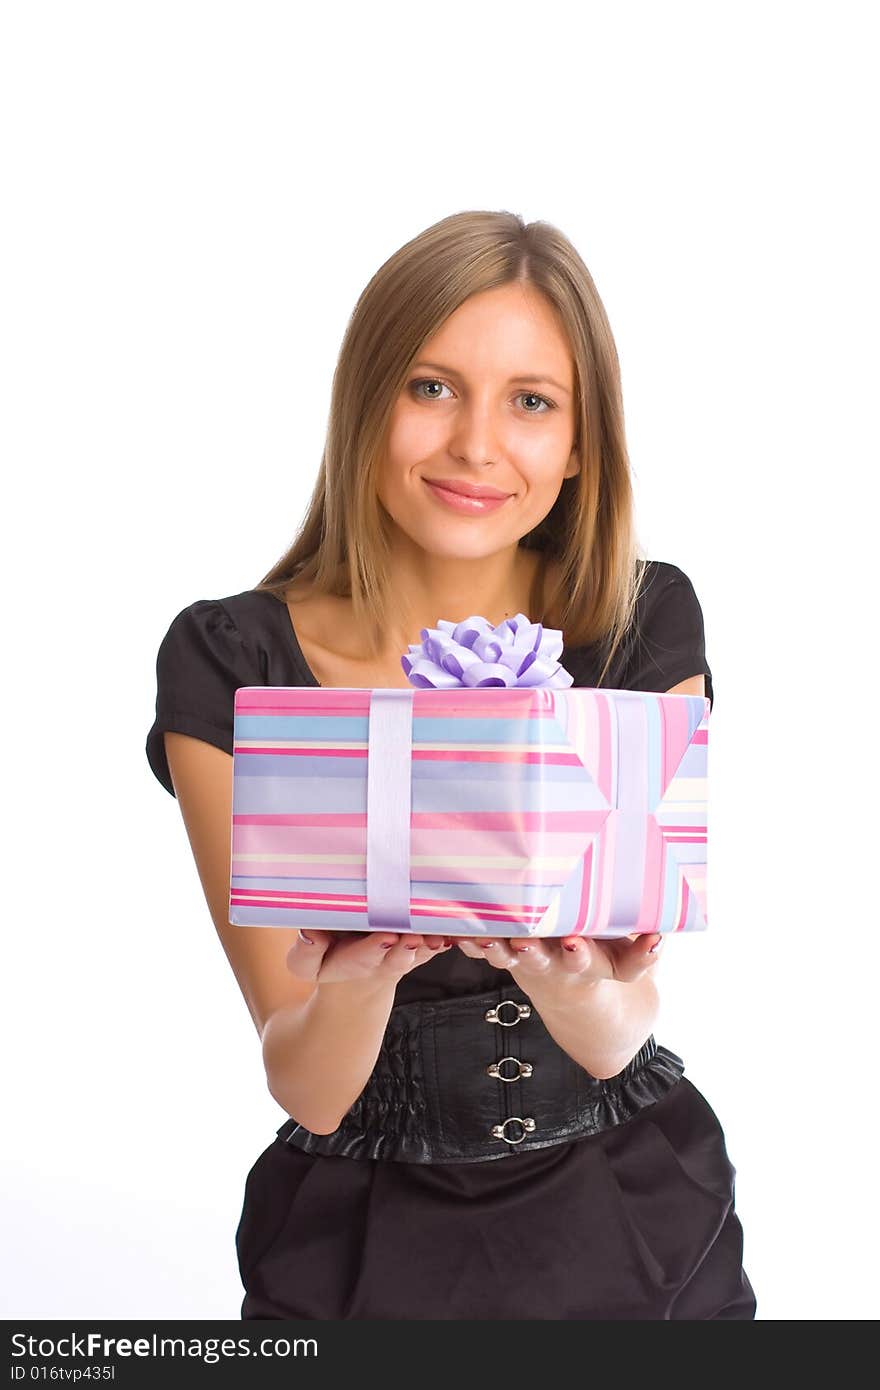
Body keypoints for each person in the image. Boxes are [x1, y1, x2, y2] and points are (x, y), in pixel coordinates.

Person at [145, 210, 757, 1320]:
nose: (477, 444)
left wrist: (573, 984)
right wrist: (363, 970)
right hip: (359, 1239)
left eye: (532, 401)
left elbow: (623, 1027)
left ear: (579, 445)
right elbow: (308, 1083)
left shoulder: (638, 629)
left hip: (632, 1218)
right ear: (365, 404)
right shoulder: (235, 664)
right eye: (431, 387)